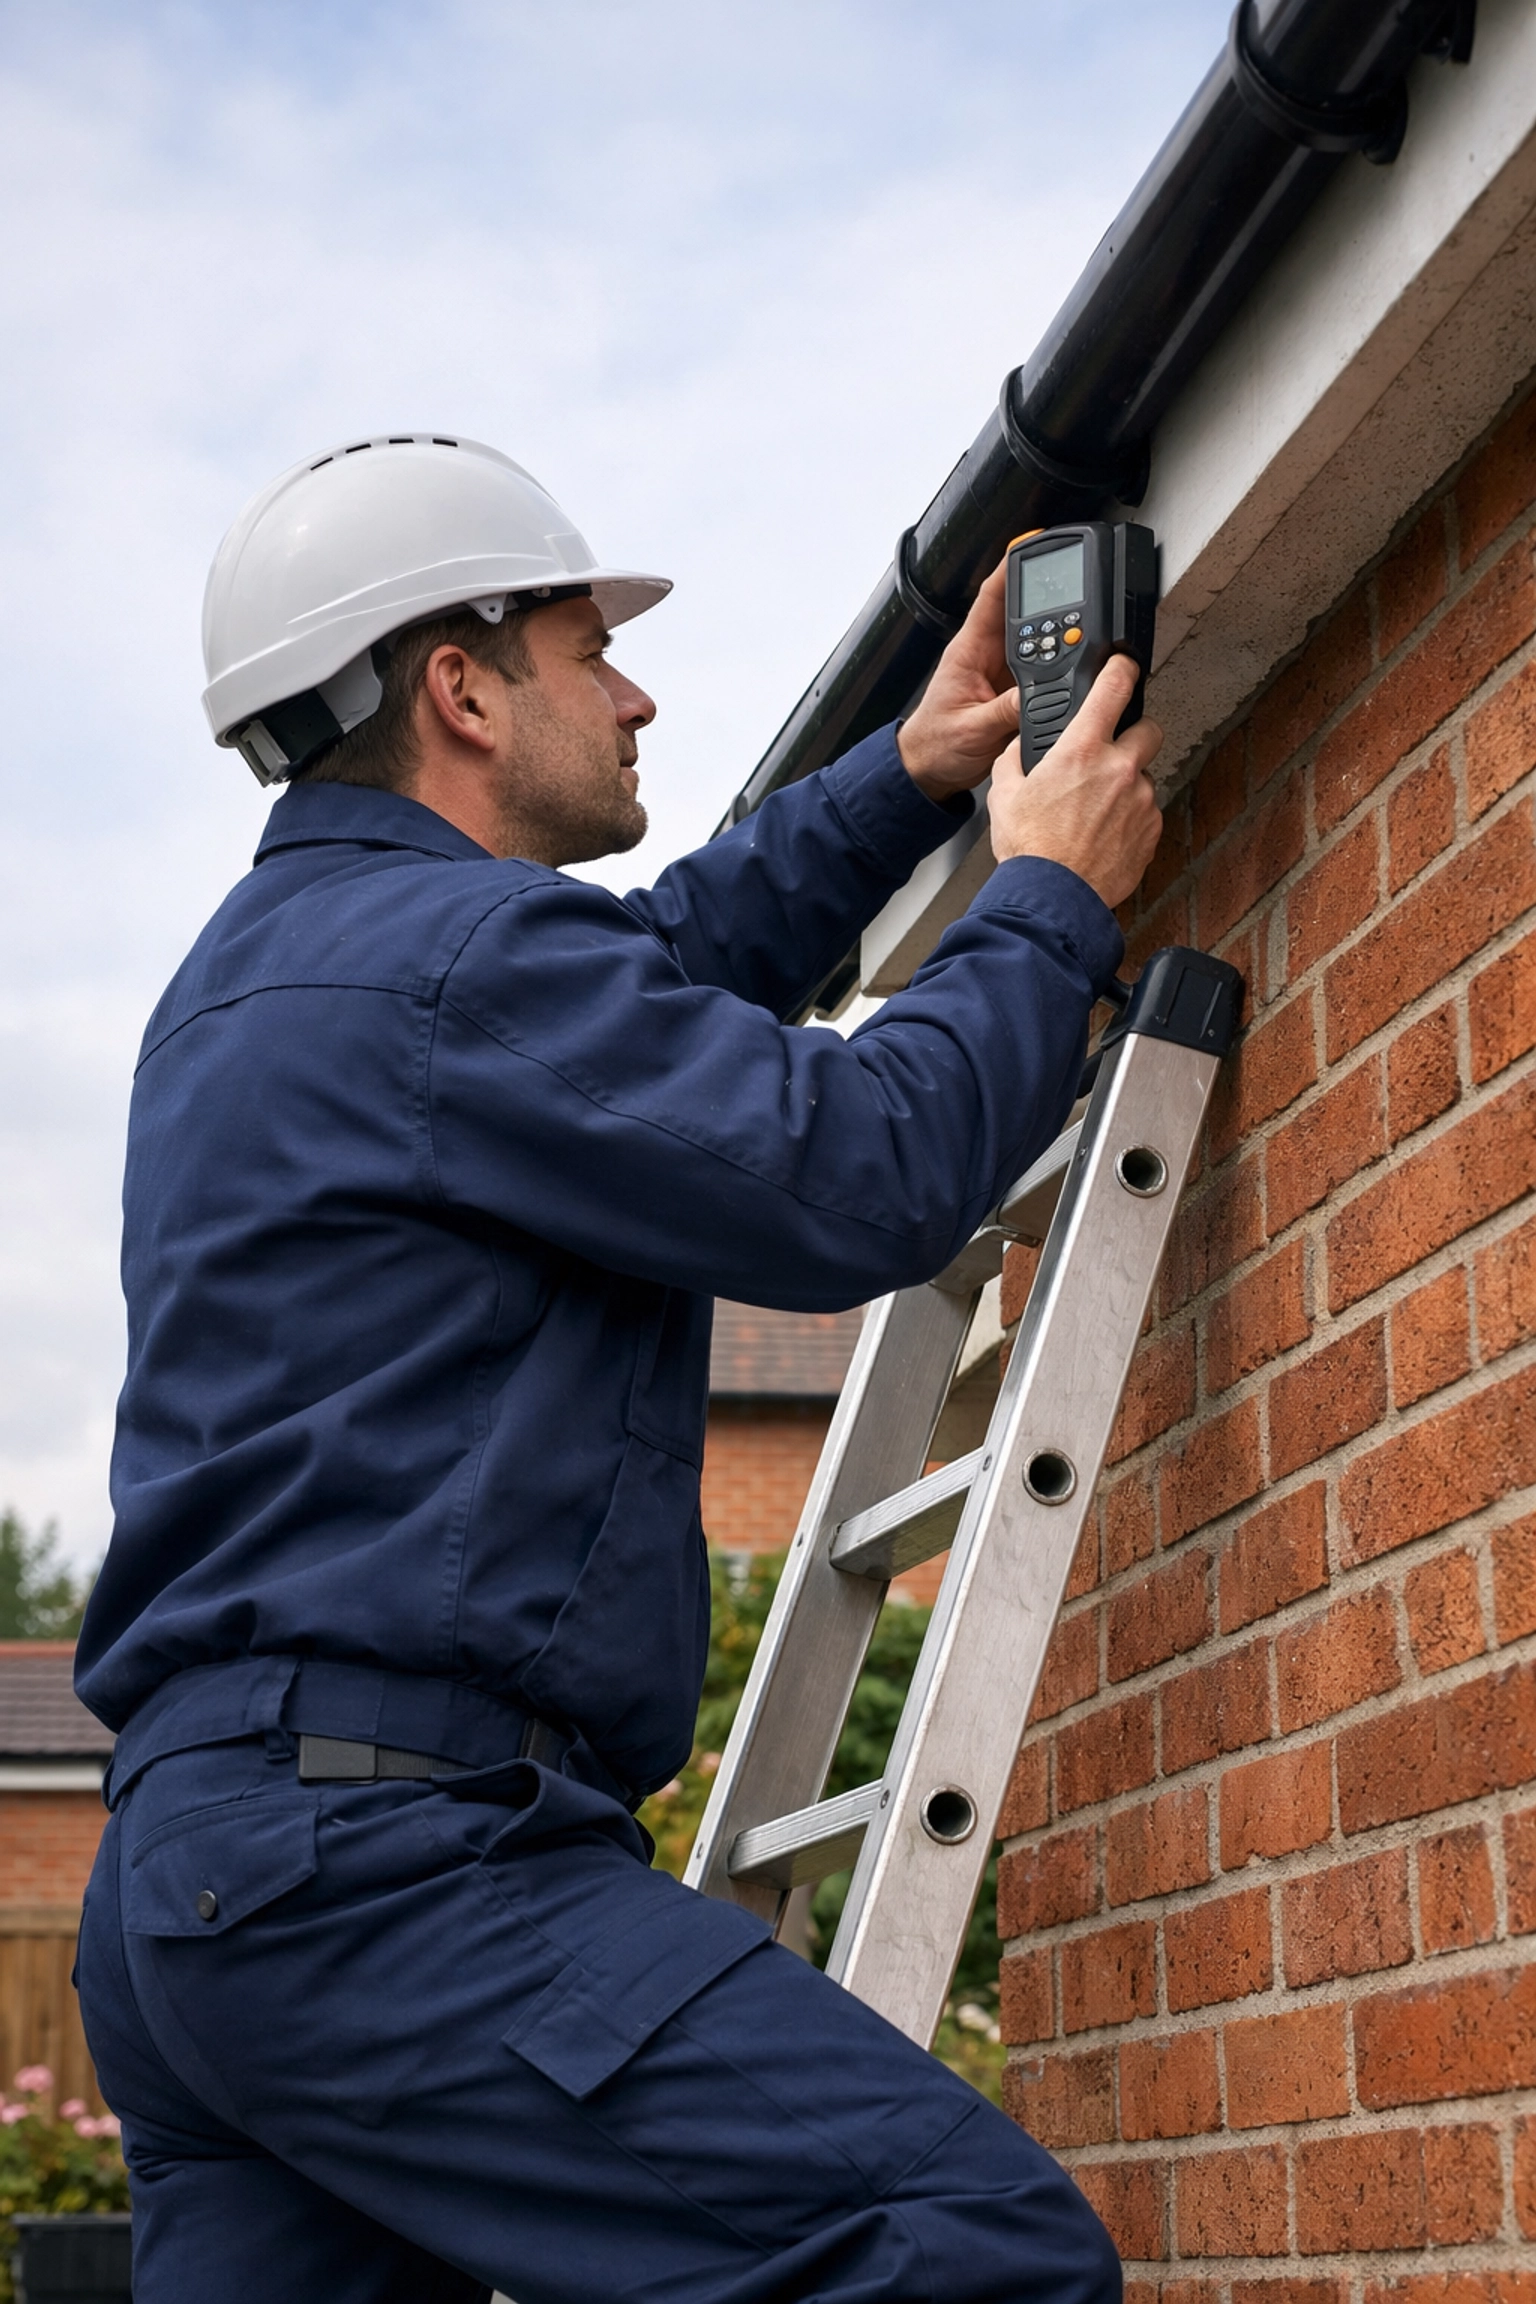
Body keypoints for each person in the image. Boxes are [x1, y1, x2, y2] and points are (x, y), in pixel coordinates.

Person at [74, 434, 1162, 2304]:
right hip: (386, 1868)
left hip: (207, 1891)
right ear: (464, 688)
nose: (639, 686)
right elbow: (865, 1173)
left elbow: (658, 966)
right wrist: (1045, 895)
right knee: (962, 2248)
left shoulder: (270, 973)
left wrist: (907, 778)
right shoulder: (452, 965)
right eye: (592, 644)